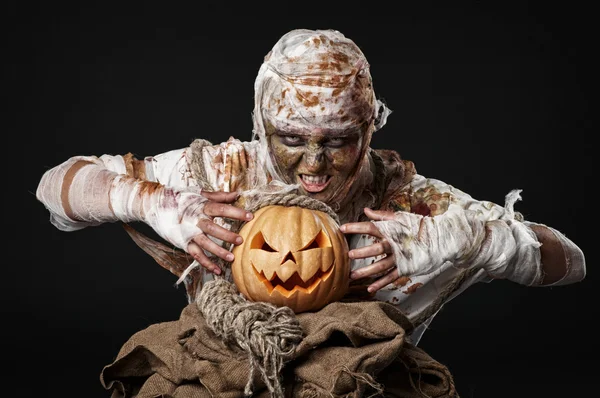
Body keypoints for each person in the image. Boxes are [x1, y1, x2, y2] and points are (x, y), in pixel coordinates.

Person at [35, 28, 586, 349]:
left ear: (372, 128)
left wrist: (476, 240)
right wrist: (152, 201)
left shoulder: (408, 204)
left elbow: (574, 263)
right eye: (291, 139)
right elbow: (55, 187)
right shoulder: (219, 179)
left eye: (341, 140)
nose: (314, 165)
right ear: (260, 123)